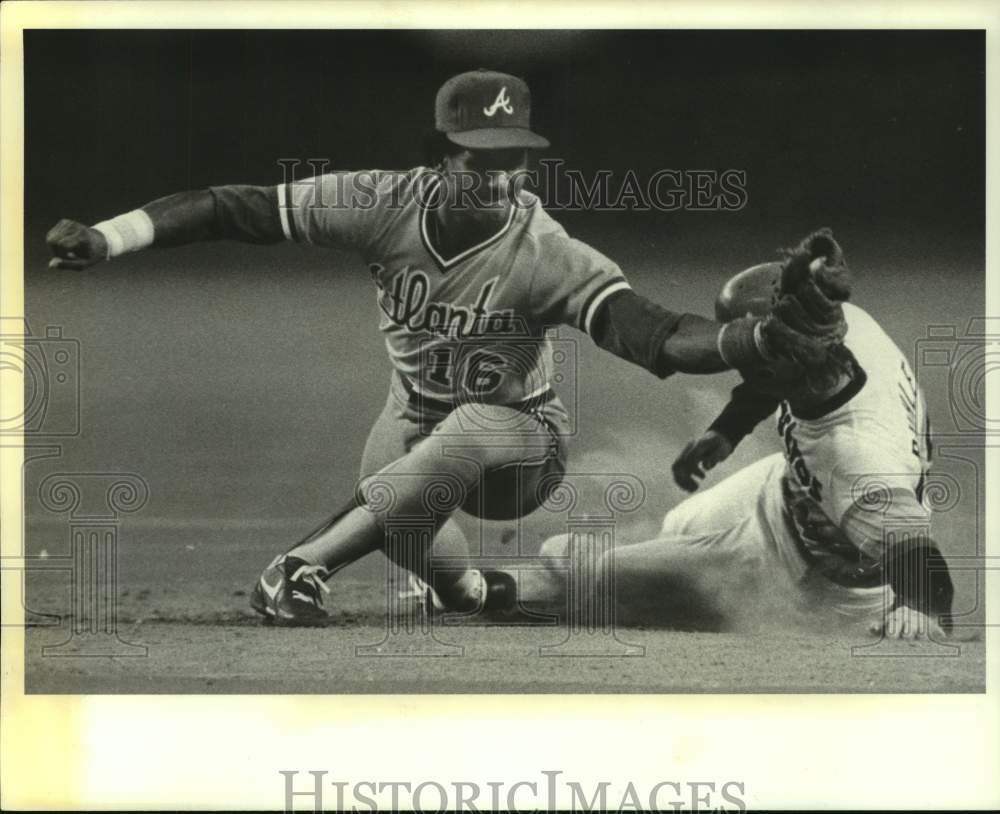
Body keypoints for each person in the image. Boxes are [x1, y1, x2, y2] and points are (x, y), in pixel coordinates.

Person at [46, 69, 839, 627]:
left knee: (470, 427)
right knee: (411, 533)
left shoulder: (547, 252)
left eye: (514, 161)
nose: (499, 178)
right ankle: (468, 595)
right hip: (411, 421)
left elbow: (656, 334)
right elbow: (232, 208)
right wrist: (109, 238)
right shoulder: (379, 203)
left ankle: (300, 566)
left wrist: (749, 337)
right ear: (441, 152)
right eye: (480, 159)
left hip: (522, 445)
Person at [540, 235, 955, 640]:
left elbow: (917, 553)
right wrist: (726, 430)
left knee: (597, 576)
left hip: (811, 577)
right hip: (789, 491)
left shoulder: (854, 457)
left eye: (753, 354)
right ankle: (675, 559)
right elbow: (775, 373)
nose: (741, 360)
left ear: (780, 362)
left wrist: (921, 608)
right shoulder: (842, 328)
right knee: (679, 524)